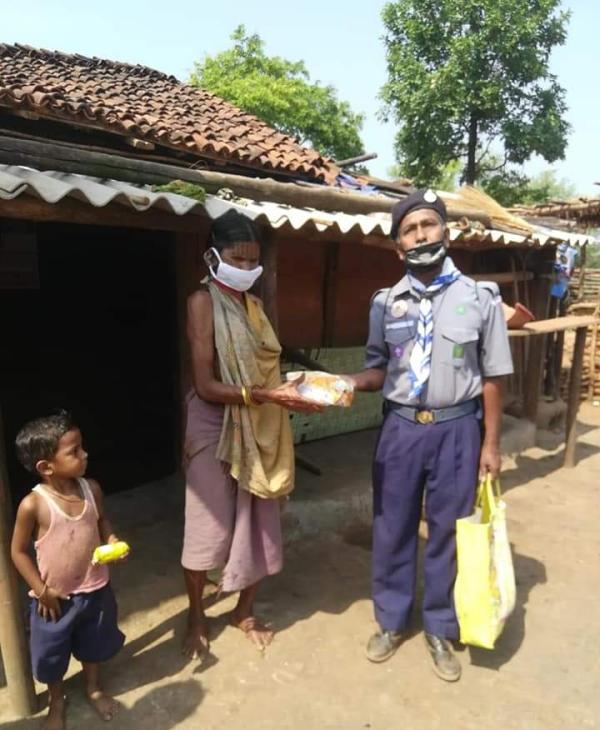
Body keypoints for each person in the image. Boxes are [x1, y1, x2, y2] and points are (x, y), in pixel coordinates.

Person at [347, 189, 513, 681]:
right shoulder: (386, 303)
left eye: (428, 225)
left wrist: (491, 443)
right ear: (398, 245)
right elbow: (377, 369)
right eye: (409, 230)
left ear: (446, 231)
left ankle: (440, 626)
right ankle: (392, 621)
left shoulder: (480, 299)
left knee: (447, 530)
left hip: (458, 430)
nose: (420, 235)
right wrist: (347, 383)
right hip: (400, 430)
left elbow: (493, 376)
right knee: (392, 525)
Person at [181, 210, 319, 659]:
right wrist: (268, 396)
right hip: (213, 420)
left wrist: (291, 391)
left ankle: (243, 609)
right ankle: (198, 614)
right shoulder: (202, 302)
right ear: (212, 256)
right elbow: (205, 385)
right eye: (237, 259)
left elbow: (267, 367)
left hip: (260, 420)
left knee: (261, 520)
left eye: (252, 261)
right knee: (208, 528)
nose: (246, 269)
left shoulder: (254, 308)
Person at [11, 411, 126, 730]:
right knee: (52, 654)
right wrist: (40, 589)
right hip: (54, 599)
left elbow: (101, 521)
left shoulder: (92, 489)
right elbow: (17, 552)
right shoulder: (34, 505)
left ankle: (92, 688)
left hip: (95, 587)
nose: (84, 454)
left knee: (94, 643)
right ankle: (56, 701)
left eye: (82, 447)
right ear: (46, 467)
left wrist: (112, 540)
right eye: (74, 451)